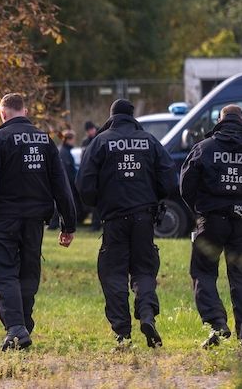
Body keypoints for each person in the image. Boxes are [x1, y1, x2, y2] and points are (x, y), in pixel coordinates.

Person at [0, 93, 76, 351]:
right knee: (28, 272)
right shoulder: (45, 141)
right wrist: (68, 223)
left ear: (3, 113)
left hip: (3, 220)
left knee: (2, 272)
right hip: (34, 220)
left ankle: (16, 329)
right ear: (25, 110)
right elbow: (61, 185)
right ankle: (23, 328)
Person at [77, 99, 175, 350]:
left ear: (111, 116)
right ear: (133, 116)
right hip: (144, 217)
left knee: (114, 273)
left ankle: (122, 333)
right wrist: (153, 196)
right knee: (143, 270)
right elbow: (169, 180)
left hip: (114, 219)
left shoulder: (100, 142)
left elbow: (84, 185)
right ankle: (147, 314)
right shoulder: (150, 141)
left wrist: (100, 203)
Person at [180, 104, 242, 348]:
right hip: (241, 224)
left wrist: (199, 208)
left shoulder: (204, 148)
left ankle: (217, 323)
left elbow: (185, 184)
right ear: (241, 120)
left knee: (203, 272)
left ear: (221, 120)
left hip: (211, 222)